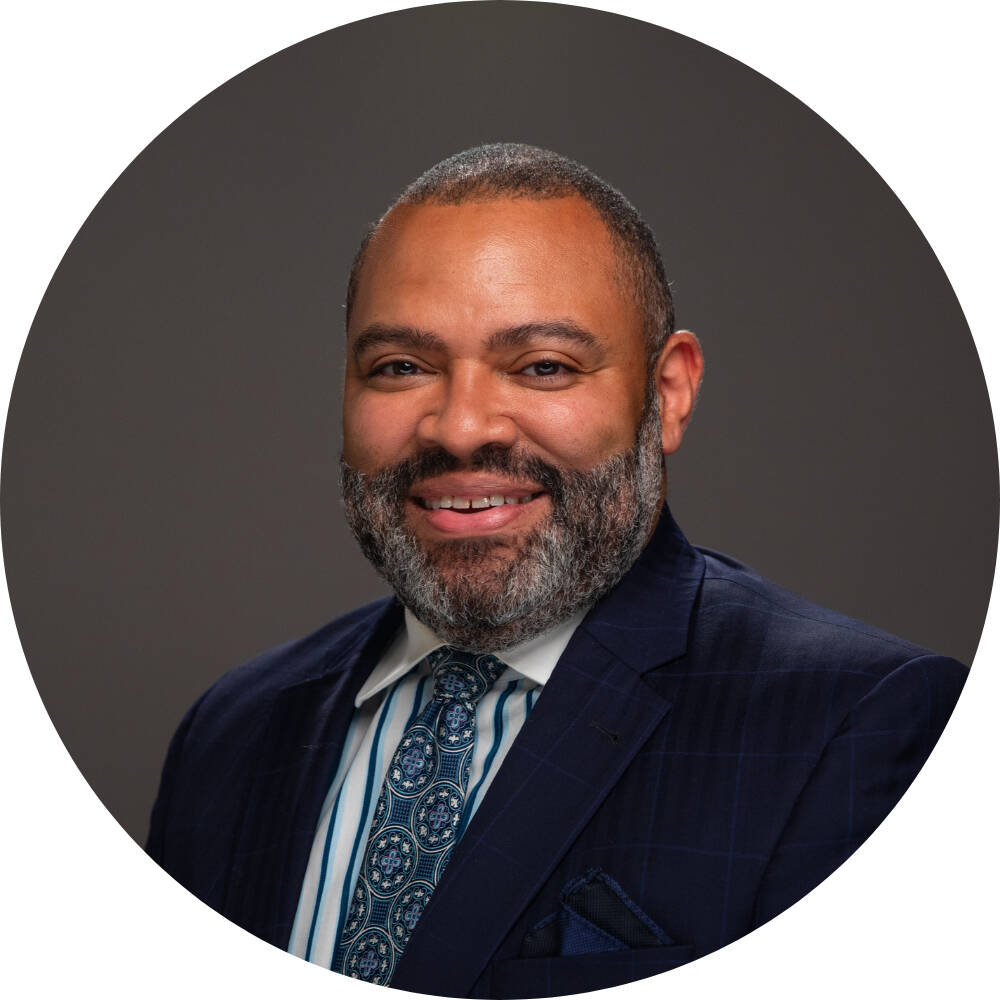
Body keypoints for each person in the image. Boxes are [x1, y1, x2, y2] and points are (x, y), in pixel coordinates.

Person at [147, 144, 967, 998]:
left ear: (670, 393)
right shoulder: (231, 736)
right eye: (401, 367)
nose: (460, 428)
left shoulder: (862, 730)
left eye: (544, 366)